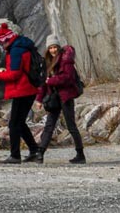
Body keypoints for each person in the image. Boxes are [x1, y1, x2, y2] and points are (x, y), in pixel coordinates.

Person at [0, 23, 42, 164]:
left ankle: (15, 155)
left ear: (7, 40)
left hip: (23, 90)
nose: (2, 45)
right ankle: (35, 151)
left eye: (2, 42)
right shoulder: (21, 46)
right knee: (19, 122)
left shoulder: (16, 51)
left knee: (14, 124)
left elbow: (14, 74)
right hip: (28, 89)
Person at [37, 34, 86, 164]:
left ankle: (80, 154)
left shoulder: (66, 59)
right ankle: (40, 153)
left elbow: (68, 77)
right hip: (54, 97)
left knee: (71, 126)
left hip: (66, 96)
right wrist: (39, 99)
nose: (53, 50)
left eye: (55, 47)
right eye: (50, 48)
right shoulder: (47, 62)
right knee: (49, 125)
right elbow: (43, 82)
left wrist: (52, 81)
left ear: (58, 47)